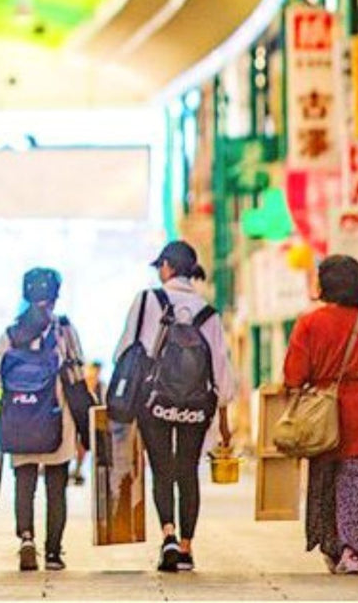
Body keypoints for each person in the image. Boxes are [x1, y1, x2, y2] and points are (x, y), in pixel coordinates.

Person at [113, 241, 236, 573]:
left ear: (166, 267)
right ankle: (186, 548)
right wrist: (223, 418)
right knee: (187, 472)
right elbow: (221, 368)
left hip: (155, 402)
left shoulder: (147, 300)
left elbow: (125, 349)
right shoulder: (207, 311)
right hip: (196, 407)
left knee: (162, 471)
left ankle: (167, 534)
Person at [283, 254, 358, 576]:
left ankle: (331, 546)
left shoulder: (309, 322)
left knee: (325, 482)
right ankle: (353, 551)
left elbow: (294, 373)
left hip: (321, 412)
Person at [0, 267, 84, 572]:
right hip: (57, 417)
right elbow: (77, 372)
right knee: (56, 487)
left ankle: (26, 539)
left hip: (20, 418)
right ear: (55, 295)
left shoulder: (11, 333)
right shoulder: (64, 330)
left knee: (25, 483)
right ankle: (54, 553)